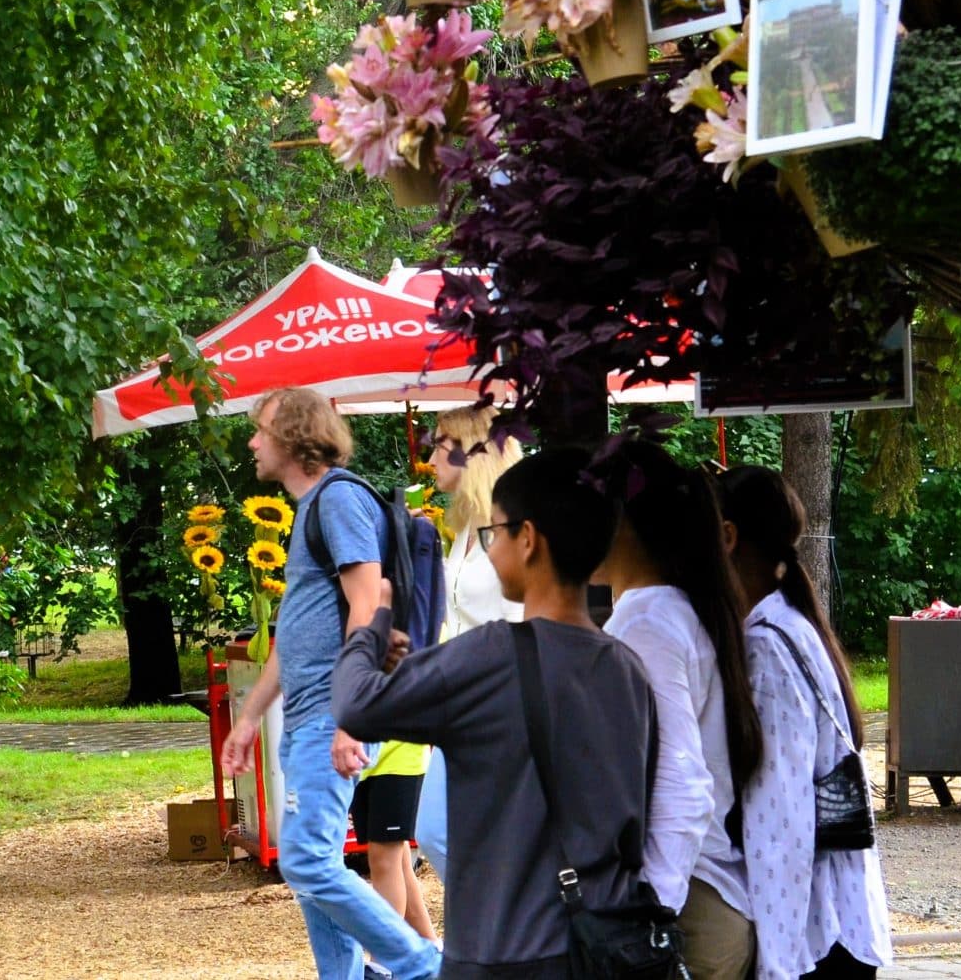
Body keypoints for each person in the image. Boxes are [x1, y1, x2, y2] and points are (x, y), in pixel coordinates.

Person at [333, 447, 658, 980]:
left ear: (528, 540)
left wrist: (375, 620)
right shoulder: (626, 668)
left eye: (495, 533)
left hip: (500, 948)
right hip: (601, 943)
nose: (491, 546)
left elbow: (355, 702)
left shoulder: (486, 657)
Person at [220, 387, 441, 980]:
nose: (253, 442)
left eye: (261, 431)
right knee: (307, 869)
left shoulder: (339, 501)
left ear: (294, 437)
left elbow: (368, 607)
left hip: (330, 715)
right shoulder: (313, 509)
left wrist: (350, 717)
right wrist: (248, 719)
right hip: (307, 719)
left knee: (309, 860)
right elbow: (294, 639)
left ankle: (423, 965)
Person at [598, 440, 764, 980]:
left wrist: (651, 919)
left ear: (621, 522)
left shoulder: (647, 623)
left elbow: (682, 783)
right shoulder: (675, 608)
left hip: (689, 910)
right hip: (705, 901)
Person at [719, 467, 892, 979]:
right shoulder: (791, 624)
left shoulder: (768, 646)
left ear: (727, 537)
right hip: (834, 924)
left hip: (815, 936)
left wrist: (776, 965)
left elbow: (780, 821)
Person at [412, 406, 525, 882]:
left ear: (475, 452)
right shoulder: (463, 533)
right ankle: (493, 934)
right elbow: (449, 610)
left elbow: (522, 623)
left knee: (448, 832)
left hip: (504, 708)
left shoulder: (515, 530)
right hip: (461, 708)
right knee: (436, 830)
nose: (430, 456)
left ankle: (499, 934)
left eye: (439, 443)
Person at [353, 740, 438, 952]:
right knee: (395, 860)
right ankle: (431, 949)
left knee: (383, 860)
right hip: (359, 756)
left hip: (401, 750)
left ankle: (383, 964)